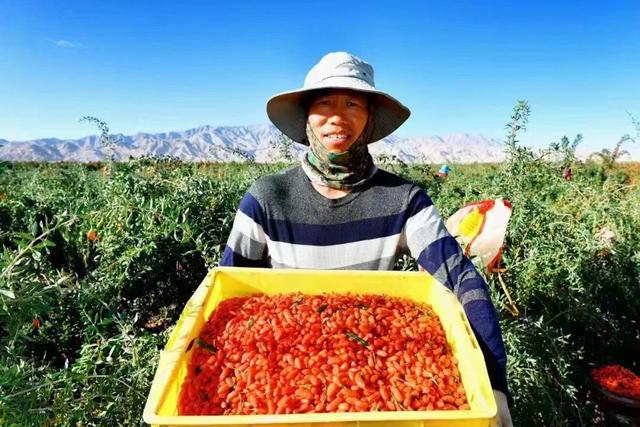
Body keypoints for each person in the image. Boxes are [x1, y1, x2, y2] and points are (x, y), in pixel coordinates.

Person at [220, 52, 513, 426]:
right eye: (323, 102)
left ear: (370, 118)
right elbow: (229, 295)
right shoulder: (266, 198)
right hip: (285, 379)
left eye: (353, 104)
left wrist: (495, 384)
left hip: (370, 378)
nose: (337, 117)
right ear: (307, 117)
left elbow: (459, 278)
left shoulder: (404, 200)